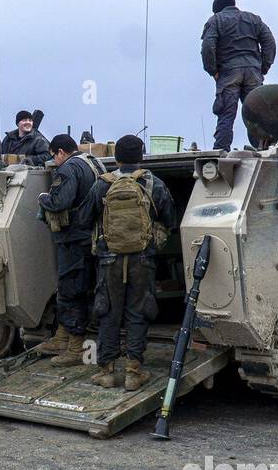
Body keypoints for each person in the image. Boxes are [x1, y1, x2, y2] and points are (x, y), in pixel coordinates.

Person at [81, 134, 177, 391]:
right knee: (138, 311)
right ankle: (134, 372)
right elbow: (169, 218)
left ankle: (107, 371)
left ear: (117, 158)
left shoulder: (103, 185)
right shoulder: (153, 183)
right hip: (142, 258)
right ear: (141, 156)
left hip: (108, 259)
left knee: (108, 311)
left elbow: (84, 218)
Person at [35, 133, 107, 366]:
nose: (55, 161)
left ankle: (75, 347)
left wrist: (43, 198)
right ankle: (62, 336)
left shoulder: (67, 168)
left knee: (72, 288)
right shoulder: (93, 162)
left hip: (73, 239)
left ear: (60, 153)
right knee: (75, 287)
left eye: (54, 157)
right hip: (90, 237)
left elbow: (59, 202)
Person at [200, 0, 276, 152]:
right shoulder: (254, 19)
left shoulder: (216, 20)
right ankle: (264, 151)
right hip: (253, 73)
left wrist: (213, 71)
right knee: (256, 115)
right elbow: (270, 42)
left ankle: (221, 151)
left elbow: (208, 46)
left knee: (226, 114)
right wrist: (263, 67)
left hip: (229, 73)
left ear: (217, 11)